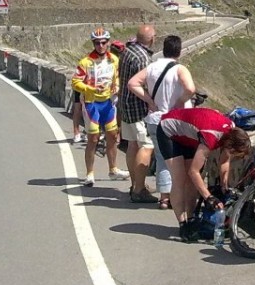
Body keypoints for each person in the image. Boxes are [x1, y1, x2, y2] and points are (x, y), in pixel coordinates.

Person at [156, 106, 250, 240]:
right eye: (235, 152)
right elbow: (193, 171)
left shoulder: (231, 129)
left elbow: (224, 162)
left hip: (188, 137)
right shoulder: (211, 136)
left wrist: (224, 185)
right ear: (230, 144)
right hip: (169, 132)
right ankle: (183, 224)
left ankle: (191, 218)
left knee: (192, 183)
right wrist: (209, 197)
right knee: (180, 178)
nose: (233, 155)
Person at [127, 35, 195, 209]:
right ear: (179, 51)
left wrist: (149, 101)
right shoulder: (180, 69)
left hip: (155, 119)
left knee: (162, 158)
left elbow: (132, 83)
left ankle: (164, 197)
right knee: (177, 160)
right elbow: (190, 89)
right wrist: (179, 104)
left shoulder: (152, 67)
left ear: (163, 49)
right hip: (176, 121)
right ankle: (174, 197)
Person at [71, 27, 129, 186]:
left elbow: (116, 77)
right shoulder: (86, 62)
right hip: (92, 105)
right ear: (93, 44)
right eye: (97, 43)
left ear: (108, 43)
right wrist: (90, 89)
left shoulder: (114, 60)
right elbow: (75, 82)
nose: (100, 46)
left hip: (109, 103)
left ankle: (113, 169)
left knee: (112, 136)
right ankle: (89, 174)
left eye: (103, 42)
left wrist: (116, 86)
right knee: (93, 139)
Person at [118, 24, 158, 203]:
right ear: (151, 39)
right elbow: (143, 84)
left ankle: (135, 184)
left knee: (132, 145)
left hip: (125, 105)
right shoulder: (143, 58)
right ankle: (139, 190)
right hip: (138, 108)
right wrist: (151, 101)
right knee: (147, 146)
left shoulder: (127, 51)